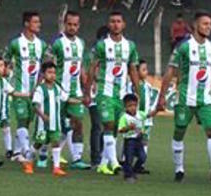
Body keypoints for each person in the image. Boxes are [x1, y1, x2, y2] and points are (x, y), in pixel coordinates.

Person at [156, 11, 211, 183]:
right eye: (205, 24)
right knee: (179, 131)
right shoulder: (183, 47)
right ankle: (179, 169)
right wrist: (162, 96)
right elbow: (170, 71)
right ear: (196, 25)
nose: (209, 27)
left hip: (205, 100)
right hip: (185, 98)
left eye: (210, 24)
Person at [90, 11, 140, 175]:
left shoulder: (130, 46)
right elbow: (92, 67)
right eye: (112, 21)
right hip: (105, 91)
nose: (115, 24)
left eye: (118, 21)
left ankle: (104, 164)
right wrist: (87, 90)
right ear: (108, 24)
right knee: (108, 124)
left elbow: (132, 69)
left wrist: (136, 91)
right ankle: (115, 162)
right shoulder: (101, 45)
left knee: (115, 129)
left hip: (122, 94)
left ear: (123, 24)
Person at [3, 11, 46, 164]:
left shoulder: (42, 44)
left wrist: (40, 84)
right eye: (35, 22)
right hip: (19, 89)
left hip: (34, 91)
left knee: (27, 121)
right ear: (27, 24)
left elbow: (44, 67)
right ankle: (27, 151)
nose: (38, 24)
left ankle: (16, 152)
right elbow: (4, 62)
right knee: (22, 120)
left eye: (39, 22)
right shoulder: (16, 43)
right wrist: (9, 79)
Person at [51, 10, 90, 169]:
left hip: (75, 92)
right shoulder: (57, 43)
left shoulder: (81, 43)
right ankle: (47, 153)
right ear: (64, 24)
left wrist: (86, 88)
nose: (72, 27)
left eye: (75, 25)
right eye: (69, 24)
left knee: (78, 123)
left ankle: (77, 158)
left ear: (78, 26)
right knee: (57, 127)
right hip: (59, 90)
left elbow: (81, 67)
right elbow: (49, 65)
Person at [27, 61, 68, 177]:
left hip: (55, 123)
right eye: (49, 72)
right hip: (42, 124)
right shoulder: (40, 89)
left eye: (54, 73)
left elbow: (66, 98)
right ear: (43, 74)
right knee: (38, 144)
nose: (52, 75)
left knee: (56, 143)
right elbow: (35, 105)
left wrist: (80, 101)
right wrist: (42, 116)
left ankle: (56, 167)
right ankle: (28, 162)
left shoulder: (57, 88)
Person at [117, 94, 147, 183]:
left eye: (134, 105)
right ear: (125, 107)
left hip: (139, 139)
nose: (133, 108)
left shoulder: (140, 114)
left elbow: (148, 115)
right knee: (128, 158)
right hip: (129, 140)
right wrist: (128, 128)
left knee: (143, 157)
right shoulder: (124, 117)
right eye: (130, 106)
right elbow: (120, 130)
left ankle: (135, 170)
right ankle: (128, 175)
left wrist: (156, 110)